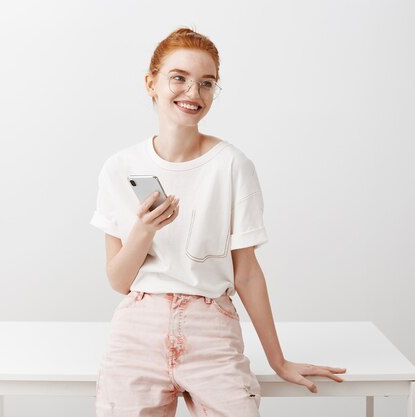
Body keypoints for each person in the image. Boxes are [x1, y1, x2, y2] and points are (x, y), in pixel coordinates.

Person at [90, 27, 346, 417]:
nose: (193, 93)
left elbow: (247, 274)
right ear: (151, 84)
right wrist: (143, 231)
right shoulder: (119, 168)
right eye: (179, 78)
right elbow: (118, 281)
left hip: (211, 326)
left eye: (206, 83)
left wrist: (278, 360)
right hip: (137, 329)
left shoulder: (232, 166)